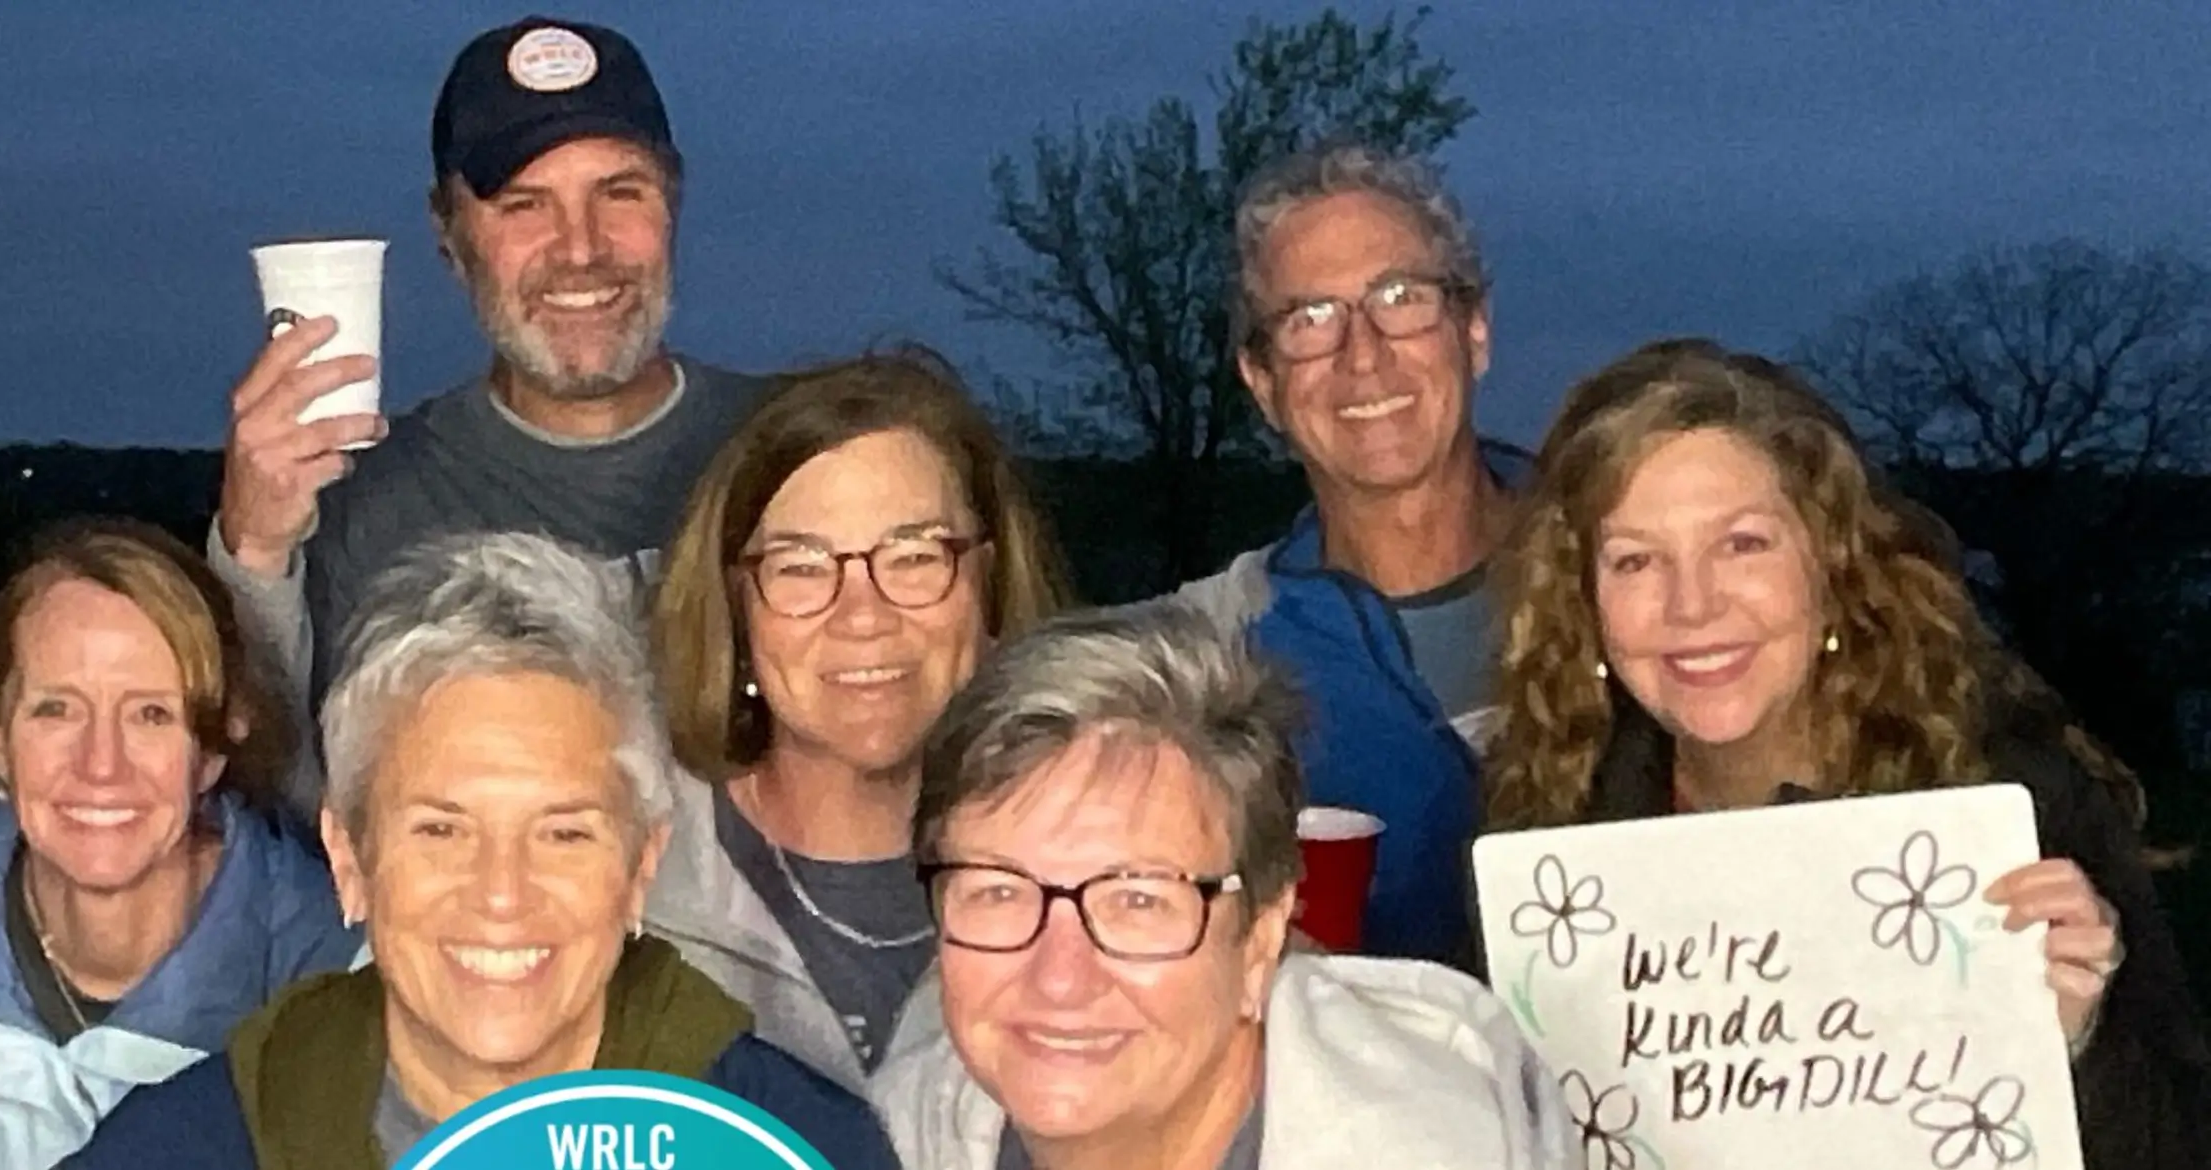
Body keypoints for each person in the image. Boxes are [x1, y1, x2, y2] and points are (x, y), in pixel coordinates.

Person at [1482, 338, 2209, 1169]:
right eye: (1636, 560)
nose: (1692, 604)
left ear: (1831, 563)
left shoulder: (2011, 804)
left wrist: (2079, 1043)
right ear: (1583, 604)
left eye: (1743, 544)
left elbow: (2176, 1144)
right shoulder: (1544, 831)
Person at [69, 533, 893, 1169]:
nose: (503, 894)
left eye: (564, 833)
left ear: (642, 864)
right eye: (441, 829)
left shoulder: (800, 1144)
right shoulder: (183, 1148)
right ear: (350, 858)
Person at [209, 16, 768, 802]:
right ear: (450, 234)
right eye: (524, 205)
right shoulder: (363, 504)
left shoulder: (800, 460)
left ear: (672, 203)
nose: (581, 248)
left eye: (620, 192)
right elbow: (281, 806)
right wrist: (254, 553)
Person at [873, 606, 1569, 1170]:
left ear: (1261, 941)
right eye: (999, 892)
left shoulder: (1436, 1149)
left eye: (1138, 900)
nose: (1060, 977)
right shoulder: (879, 1142)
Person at [0, 518, 362, 1168]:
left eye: (151, 714)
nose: (101, 766)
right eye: (57, 710)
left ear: (215, 748)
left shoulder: (342, 978)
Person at [1134, 141, 1527, 969]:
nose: (1363, 354)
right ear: (1262, 382)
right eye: (1309, 319)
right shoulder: (1197, 665)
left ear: (1476, 330)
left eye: (1401, 297)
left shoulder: (1642, 582)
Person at [642, 348, 1070, 1088]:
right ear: (735, 608)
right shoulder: (617, 879)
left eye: (913, 557)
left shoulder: (1103, 871)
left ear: (990, 585)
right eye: (802, 567)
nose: (864, 617)